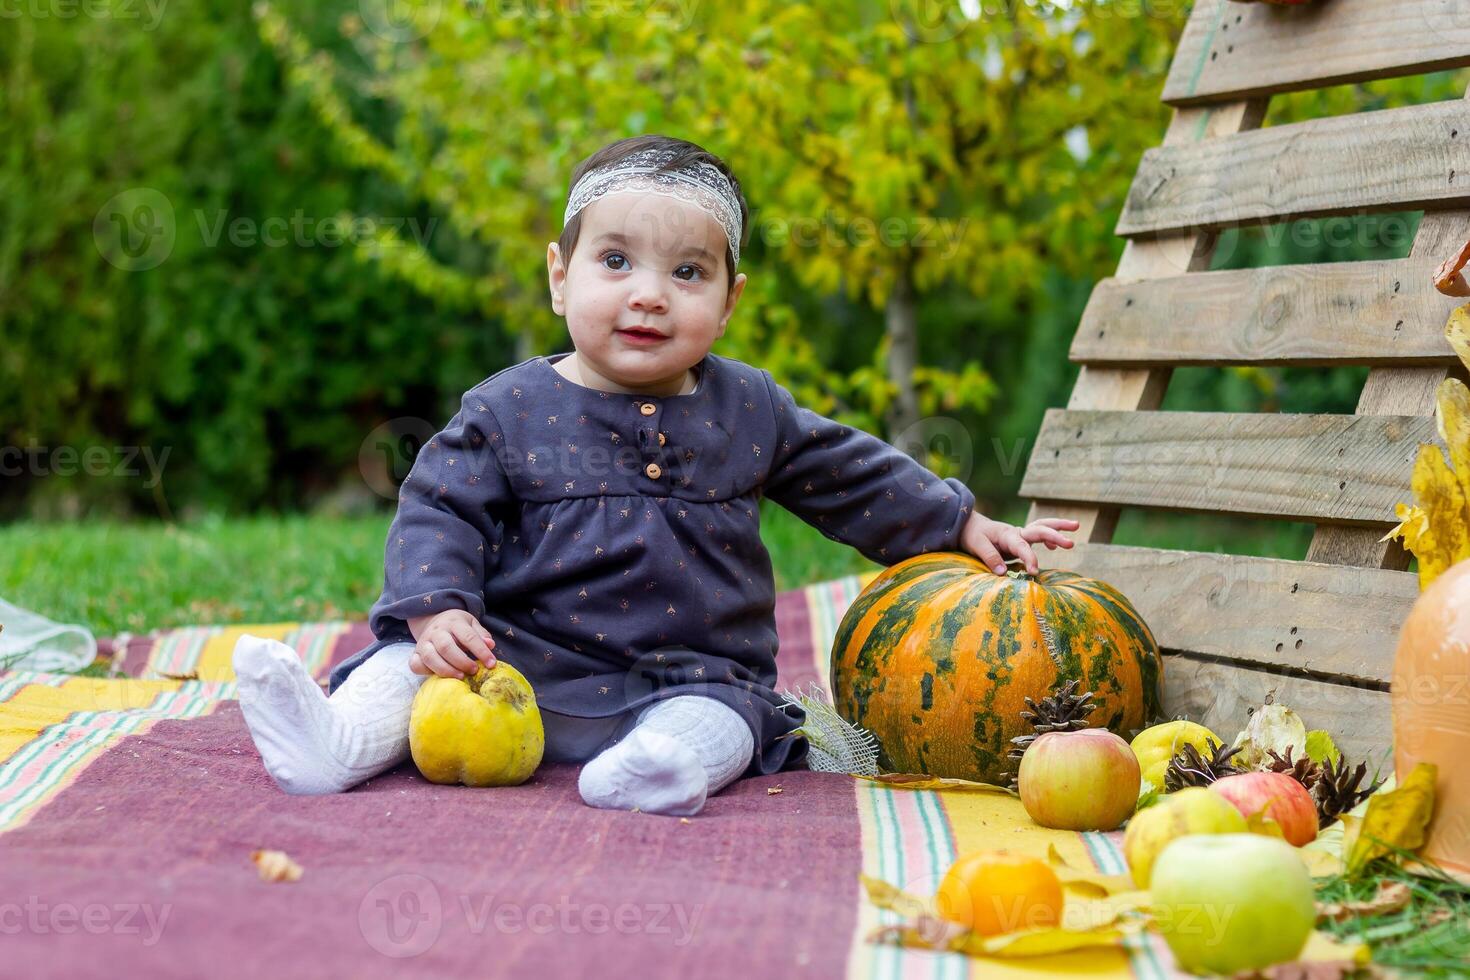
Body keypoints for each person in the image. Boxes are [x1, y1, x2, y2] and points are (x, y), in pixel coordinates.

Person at [232, 134, 1078, 816]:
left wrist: (960, 522)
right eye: (615, 263)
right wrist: (438, 608)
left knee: (726, 722)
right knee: (407, 670)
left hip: (687, 672)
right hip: (511, 665)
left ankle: (663, 768)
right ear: (560, 277)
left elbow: (849, 474)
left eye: (687, 273)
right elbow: (439, 510)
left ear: (730, 300)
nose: (649, 296)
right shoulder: (508, 408)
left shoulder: (751, 407)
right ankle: (334, 742)